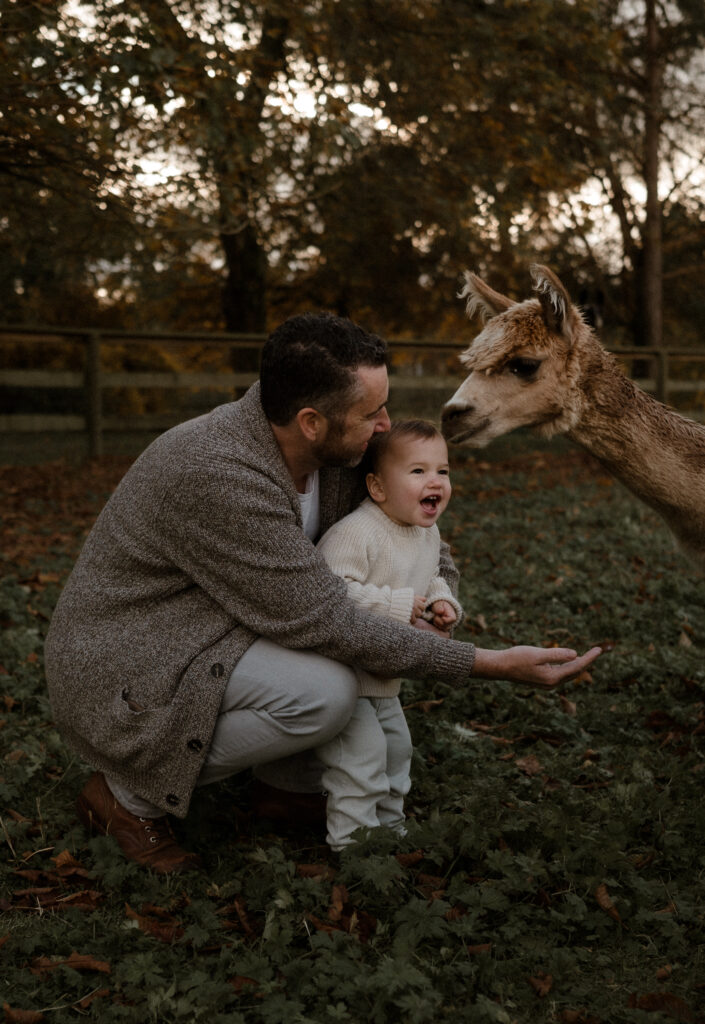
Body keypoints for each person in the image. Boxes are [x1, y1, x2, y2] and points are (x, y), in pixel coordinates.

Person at [44, 312, 601, 874]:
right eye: (371, 412)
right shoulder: (216, 472)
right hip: (130, 659)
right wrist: (488, 664)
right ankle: (124, 794)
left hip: (233, 619)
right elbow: (328, 622)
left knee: (336, 662)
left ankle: (285, 789)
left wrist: (440, 597)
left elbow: (422, 534)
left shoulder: (341, 450)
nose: (385, 425)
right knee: (326, 693)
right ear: (311, 421)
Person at [316, 419, 462, 851]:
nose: (434, 481)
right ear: (377, 488)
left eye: (443, 471)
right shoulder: (356, 533)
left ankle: (390, 829)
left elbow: (433, 575)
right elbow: (328, 595)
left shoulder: (425, 532)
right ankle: (354, 846)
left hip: (383, 679)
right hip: (343, 676)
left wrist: (442, 602)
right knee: (360, 758)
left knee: (396, 750)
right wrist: (398, 605)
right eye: (417, 471)